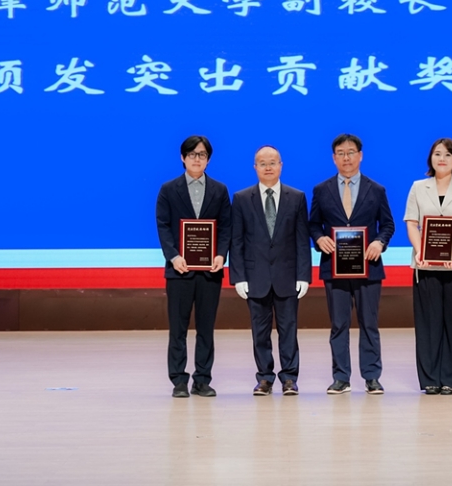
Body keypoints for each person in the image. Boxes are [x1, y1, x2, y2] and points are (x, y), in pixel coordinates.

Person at [309, 133, 395, 395]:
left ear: (360, 155)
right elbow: (313, 224)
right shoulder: (321, 190)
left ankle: (372, 376)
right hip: (334, 268)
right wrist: (319, 238)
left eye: (351, 152)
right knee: (339, 324)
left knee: (369, 323)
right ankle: (340, 377)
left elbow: (388, 224)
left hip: (368, 266)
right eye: (341, 153)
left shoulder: (376, 189)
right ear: (334, 158)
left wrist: (379, 242)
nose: (346, 158)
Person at [230, 146, 312, 396]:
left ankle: (289, 378)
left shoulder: (296, 197)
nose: (268, 167)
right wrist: (238, 277)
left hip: (288, 276)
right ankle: (264, 378)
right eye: (262, 163)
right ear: (255, 167)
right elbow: (237, 240)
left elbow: (302, 240)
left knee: (289, 331)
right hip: (255, 278)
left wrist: (304, 275)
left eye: (273, 162)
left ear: (281, 166)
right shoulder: (241, 198)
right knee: (260, 332)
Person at [156, 135, 231, 398]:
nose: (196, 159)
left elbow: (226, 227)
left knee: (206, 329)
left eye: (202, 155)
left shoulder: (219, 190)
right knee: (178, 329)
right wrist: (174, 256)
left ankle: (202, 380)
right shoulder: (169, 189)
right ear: (182, 157)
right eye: (192, 154)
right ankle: (179, 380)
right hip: (180, 270)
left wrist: (221, 255)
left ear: (208, 159)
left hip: (210, 272)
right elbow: (163, 226)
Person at [404, 138, 452, 395]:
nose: (442, 159)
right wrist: (420, 251)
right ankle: (429, 379)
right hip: (425, 264)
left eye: (448, 154)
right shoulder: (418, 187)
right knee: (428, 323)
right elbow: (411, 223)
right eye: (437, 154)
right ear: (430, 159)